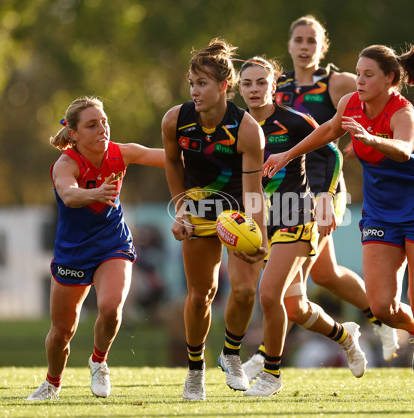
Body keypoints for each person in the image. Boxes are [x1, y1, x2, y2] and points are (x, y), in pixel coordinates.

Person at [264, 43, 414, 400]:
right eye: (358, 73)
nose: (360, 80)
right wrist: (287, 153)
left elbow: (402, 150)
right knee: (383, 307)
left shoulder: (404, 113)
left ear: (390, 80)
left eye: (368, 75)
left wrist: (370, 138)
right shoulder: (350, 103)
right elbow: (327, 133)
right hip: (381, 212)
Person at [243, 16, 398, 380]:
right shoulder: (271, 86)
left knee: (287, 281)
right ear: (289, 45)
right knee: (323, 276)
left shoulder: (338, 81)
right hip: (288, 187)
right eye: (298, 39)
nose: (304, 46)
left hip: (326, 186)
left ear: (322, 46)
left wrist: (368, 142)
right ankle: (366, 323)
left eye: (312, 40)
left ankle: (269, 355)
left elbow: (375, 107)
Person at [237, 57, 367, 396]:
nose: (254, 89)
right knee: (295, 308)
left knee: (268, 294)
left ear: (274, 85)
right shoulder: (239, 128)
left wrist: (325, 197)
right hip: (267, 220)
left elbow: (333, 155)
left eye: (261, 82)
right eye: (247, 83)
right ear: (238, 88)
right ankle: (346, 335)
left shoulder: (294, 121)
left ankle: (271, 376)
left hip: (299, 213)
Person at [27, 96, 166, 400]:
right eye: (92, 125)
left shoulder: (120, 153)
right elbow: (69, 195)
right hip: (73, 251)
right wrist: (96, 193)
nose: (102, 128)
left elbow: (168, 157)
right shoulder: (65, 164)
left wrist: (210, 157)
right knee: (62, 331)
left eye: (104, 121)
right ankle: (52, 383)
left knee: (111, 307)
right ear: (74, 134)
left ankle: (99, 362)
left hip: (112, 244)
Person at [161, 39, 268, 401]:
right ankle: (195, 372)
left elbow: (254, 192)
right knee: (201, 294)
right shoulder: (175, 120)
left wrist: (260, 238)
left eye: (202, 84)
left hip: (236, 211)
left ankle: (231, 354)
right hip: (198, 210)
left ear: (224, 86)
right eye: (191, 83)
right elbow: (173, 163)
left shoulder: (248, 129)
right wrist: (180, 209)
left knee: (242, 289)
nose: (194, 91)